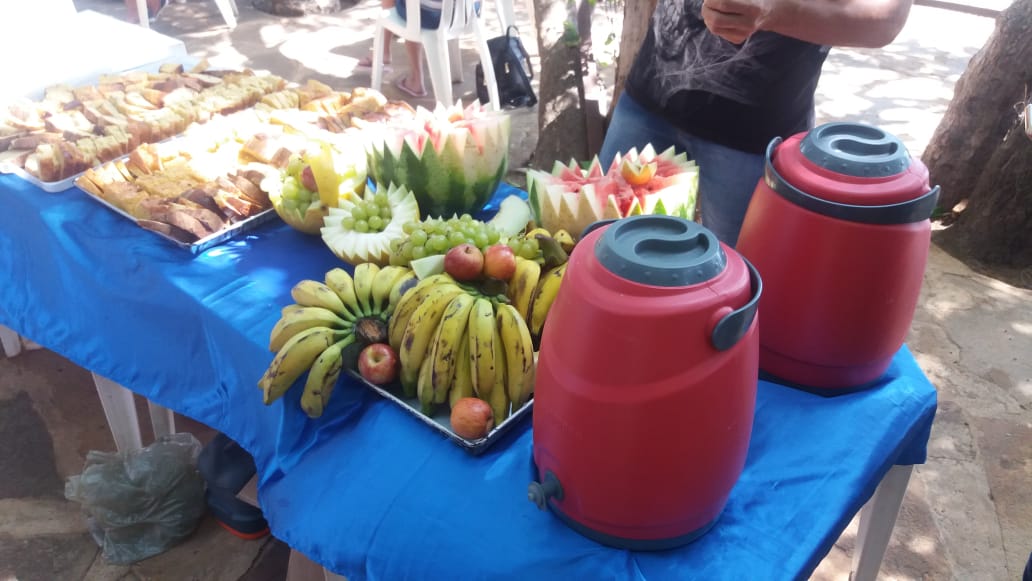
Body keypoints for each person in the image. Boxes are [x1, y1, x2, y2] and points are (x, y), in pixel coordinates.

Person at [597, 0, 914, 246]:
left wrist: (774, 12)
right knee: (601, 245)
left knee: (737, 279)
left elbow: (885, 21)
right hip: (646, 102)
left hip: (752, 138)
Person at [356, 0, 448, 98]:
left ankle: (416, 80)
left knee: (412, 8)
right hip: (455, 17)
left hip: (429, 16)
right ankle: (384, 51)